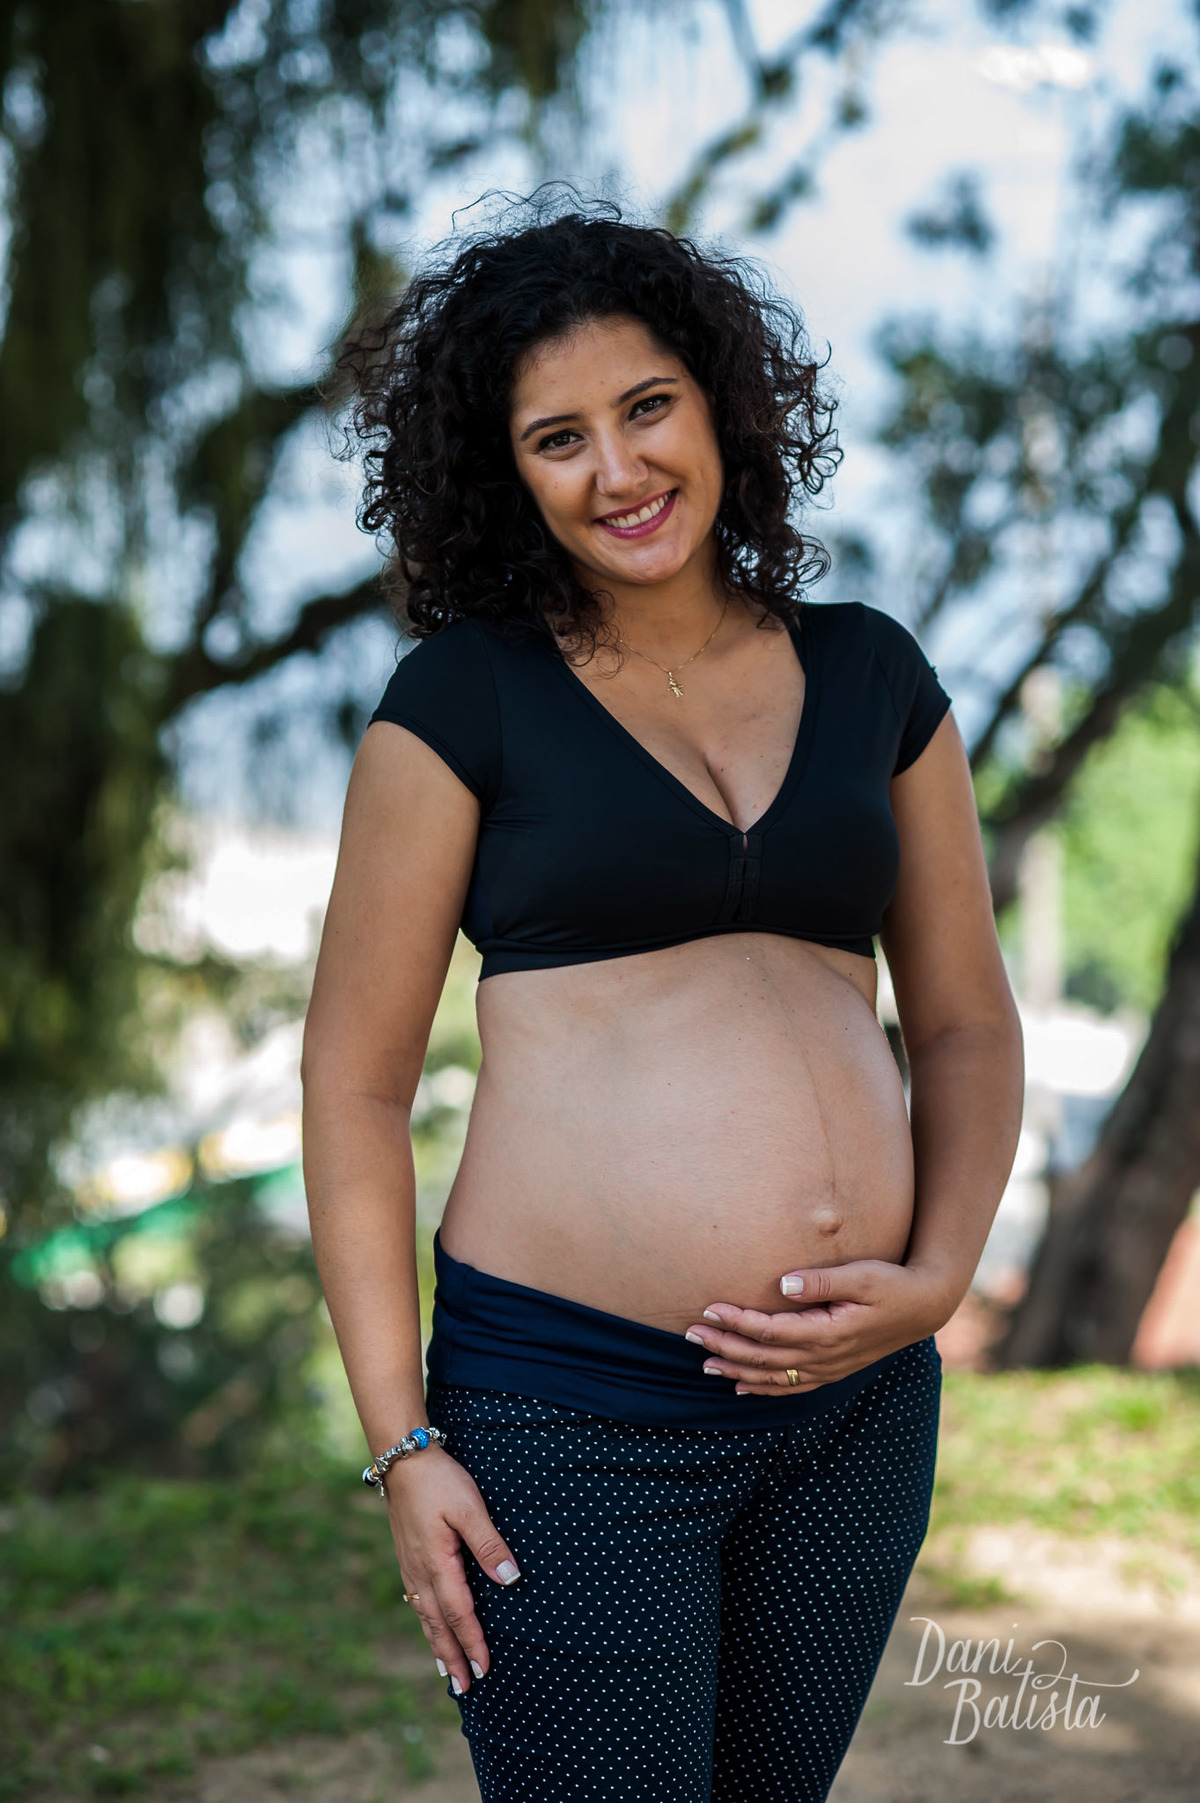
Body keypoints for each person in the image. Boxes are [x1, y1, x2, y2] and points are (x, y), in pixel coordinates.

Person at [301, 201, 1024, 1802]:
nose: (618, 472)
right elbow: (352, 1088)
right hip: (571, 1417)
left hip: (856, 1411)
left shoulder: (874, 677)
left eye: (645, 409)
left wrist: (940, 1277)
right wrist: (406, 1445)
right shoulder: (462, 701)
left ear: (717, 402)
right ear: (510, 475)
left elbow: (965, 1020)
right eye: (559, 439)